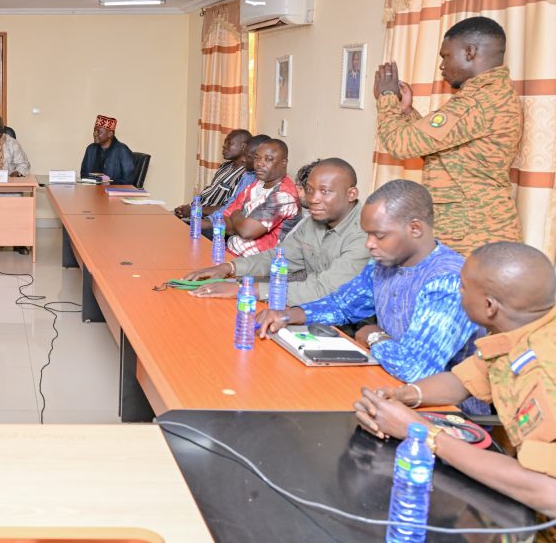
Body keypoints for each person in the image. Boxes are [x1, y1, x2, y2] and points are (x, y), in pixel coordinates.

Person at [354, 242, 556, 518]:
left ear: (488, 306)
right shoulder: (523, 331)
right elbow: (462, 381)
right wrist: (403, 396)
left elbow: (548, 492)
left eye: (462, 286)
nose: (458, 292)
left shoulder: (542, 374)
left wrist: (424, 434)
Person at [256, 180, 488, 413]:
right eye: (367, 234)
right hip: (389, 387)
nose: (369, 244)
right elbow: (343, 304)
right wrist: (288, 315)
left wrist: (374, 336)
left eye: (379, 235)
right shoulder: (385, 263)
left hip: (445, 413)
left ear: (415, 229)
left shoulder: (448, 281)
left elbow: (415, 369)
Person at [374, 16, 522, 256]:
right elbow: (438, 149)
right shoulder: (492, 94)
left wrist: (386, 98)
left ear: (470, 52)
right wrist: (408, 112)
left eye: (446, 56)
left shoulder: (477, 102)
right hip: (478, 227)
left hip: (473, 235)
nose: (442, 66)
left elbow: (400, 145)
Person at [187, 158, 368, 305]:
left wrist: (246, 290)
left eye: (325, 191)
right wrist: (228, 268)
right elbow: (278, 257)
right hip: (306, 304)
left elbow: (326, 289)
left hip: (345, 323)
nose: (313, 199)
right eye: (310, 190)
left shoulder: (365, 234)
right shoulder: (315, 221)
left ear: (351, 194)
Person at [220, 139, 299, 257]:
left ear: (284, 163)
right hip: (229, 251)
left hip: (254, 262)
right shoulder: (257, 183)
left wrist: (236, 214)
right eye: (257, 158)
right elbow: (224, 217)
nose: (259, 164)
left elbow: (246, 231)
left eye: (268, 159)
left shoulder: (284, 196)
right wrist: (239, 224)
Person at [174, 129, 252, 221]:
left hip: (211, 221)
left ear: (243, 147)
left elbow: (230, 207)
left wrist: (195, 210)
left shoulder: (246, 175)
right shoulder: (225, 166)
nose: (224, 146)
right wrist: (187, 208)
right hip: (196, 213)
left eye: (229, 143)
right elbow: (210, 195)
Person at [79, 115, 136, 185]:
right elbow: (84, 174)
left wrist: (108, 184)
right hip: (93, 190)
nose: (94, 134)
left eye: (99, 132)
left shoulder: (122, 150)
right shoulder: (91, 149)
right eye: (94, 131)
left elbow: (128, 180)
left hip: (114, 191)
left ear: (110, 134)